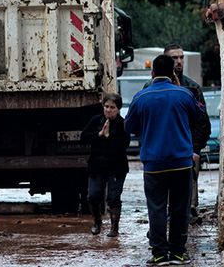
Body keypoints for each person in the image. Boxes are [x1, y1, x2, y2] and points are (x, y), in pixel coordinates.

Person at [125, 55, 205, 266]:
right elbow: (199, 117)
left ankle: (159, 254)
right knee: (180, 208)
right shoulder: (184, 94)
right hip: (181, 163)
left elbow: (129, 127)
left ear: (152, 74)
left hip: (153, 164)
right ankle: (178, 253)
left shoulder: (140, 97)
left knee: (156, 208)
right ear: (172, 73)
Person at [144, 44, 211, 220]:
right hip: (158, 147)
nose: (179, 61)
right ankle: (165, 221)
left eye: (181, 57)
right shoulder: (149, 87)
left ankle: (189, 210)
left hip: (186, 145)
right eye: (175, 58)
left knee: (188, 181)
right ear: (166, 60)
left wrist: (196, 148)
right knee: (161, 186)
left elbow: (202, 121)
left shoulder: (192, 88)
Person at [81, 93, 130, 237]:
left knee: (113, 197)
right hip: (97, 166)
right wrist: (99, 134)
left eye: (112, 107)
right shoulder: (96, 120)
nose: (108, 110)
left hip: (116, 167)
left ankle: (114, 227)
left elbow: (124, 145)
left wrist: (110, 137)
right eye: (106, 106)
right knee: (93, 196)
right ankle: (97, 221)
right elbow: (83, 137)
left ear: (118, 109)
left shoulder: (123, 124)